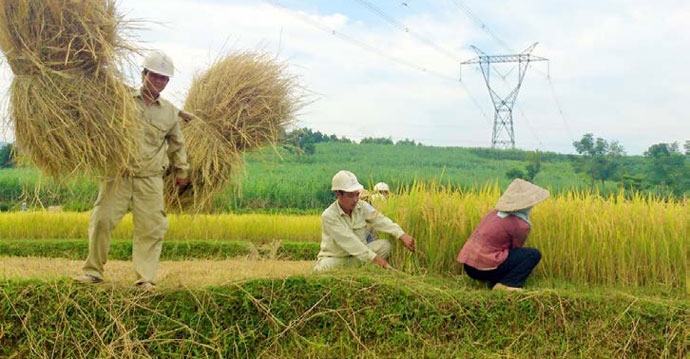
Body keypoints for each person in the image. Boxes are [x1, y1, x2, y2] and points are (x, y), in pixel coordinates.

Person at [74, 50, 190, 289]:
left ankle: (145, 278)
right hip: (118, 174)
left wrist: (182, 171)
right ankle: (93, 271)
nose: (159, 81)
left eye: (164, 78)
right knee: (102, 220)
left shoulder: (169, 111)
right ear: (144, 74)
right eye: (155, 76)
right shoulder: (120, 99)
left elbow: (177, 144)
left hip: (150, 178)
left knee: (151, 228)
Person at [313, 170, 416, 271]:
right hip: (337, 259)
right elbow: (351, 243)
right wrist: (379, 261)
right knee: (326, 267)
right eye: (350, 196)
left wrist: (401, 234)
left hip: (358, 258)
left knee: (385, 246)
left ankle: (360, 268)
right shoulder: (329, 216)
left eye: (357, 195)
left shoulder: (361, 206)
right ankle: (361, 268)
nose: (355, 200)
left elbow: (380, 220)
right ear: (338, 195)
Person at [457, 179, 549, 291]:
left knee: (504, 254)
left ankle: (489, 281)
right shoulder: (521, 224)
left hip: (469, 266)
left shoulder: (493, 213)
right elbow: (516, 248)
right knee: (533, 254)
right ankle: (508, 284)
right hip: (484, 268)